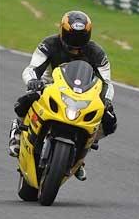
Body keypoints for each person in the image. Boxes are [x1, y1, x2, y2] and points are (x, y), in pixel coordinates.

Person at [7, 10, 118, 181]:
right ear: (62, 31)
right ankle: (18, 129)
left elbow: (107, 82)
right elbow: (31, 68)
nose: (75, 46)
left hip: (83, 94)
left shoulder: (97, 52)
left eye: (80, 39)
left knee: (109, 121)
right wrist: (33, 81)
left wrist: (107, 100)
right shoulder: (49, 44)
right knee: (27, 99)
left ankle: (81, 154)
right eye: (72, 38)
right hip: (50, 86)